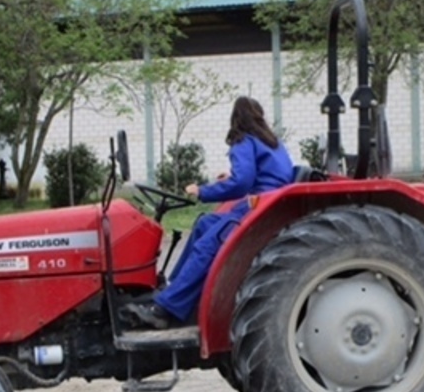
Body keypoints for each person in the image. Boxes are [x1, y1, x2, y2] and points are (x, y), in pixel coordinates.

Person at [123, 96, 295, 329]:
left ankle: (165, 309)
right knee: (205, 223)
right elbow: (263, 175)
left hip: (258, 207)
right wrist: (231, 178)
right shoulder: (273, 142)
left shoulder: (243, 140)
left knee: (208, 244)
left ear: (236, 119)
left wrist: (202, 191)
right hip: (268, 204)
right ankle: (175, 288)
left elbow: (243, 183)